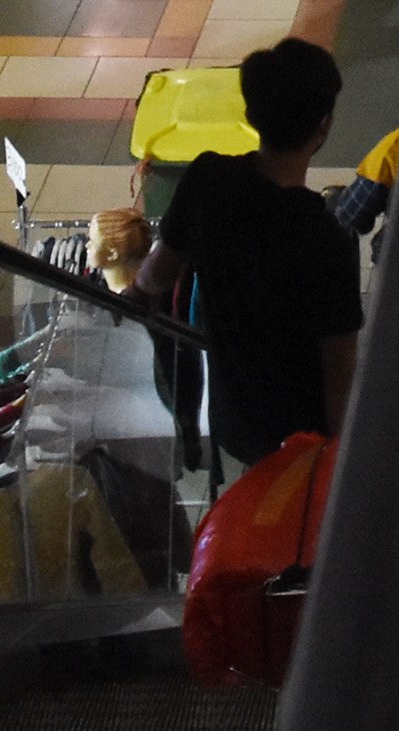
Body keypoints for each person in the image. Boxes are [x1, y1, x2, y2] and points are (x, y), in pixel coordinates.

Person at [134, 36, 361, 469]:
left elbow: (154, 279)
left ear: (252, 116)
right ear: (324, 126)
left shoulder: (207, 180)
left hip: (233, 418)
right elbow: (338, 380)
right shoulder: (328, 241)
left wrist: (137, 294)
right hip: (301, 439)